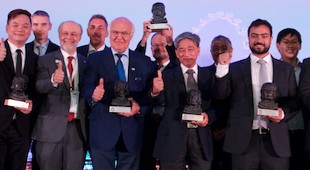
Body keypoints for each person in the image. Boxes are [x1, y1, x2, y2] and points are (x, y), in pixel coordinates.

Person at [214, 19, 298, 170]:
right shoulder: (234, 68)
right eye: (254, 35)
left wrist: (282, 113)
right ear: (248, 38)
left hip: (276, 142)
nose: (259, 40)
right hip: (243, 142)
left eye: (264, 36)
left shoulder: (286, 69)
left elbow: (294, 102)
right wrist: (221, 69)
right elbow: (221, 96)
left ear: (271, 39)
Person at [81, 17, 155, 170]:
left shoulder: (144, 61)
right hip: (102, 131)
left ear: (131, 35)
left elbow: (150, 97)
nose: (119, 37)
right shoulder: (95, 59)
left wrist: (139, 107)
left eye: (124, 33)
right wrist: (93, 95)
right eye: (115, 32)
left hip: (132, 132)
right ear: (108, 33)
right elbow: (86, 87)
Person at [152, 32, 215, 170]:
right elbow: (157, 103)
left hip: (201, 137)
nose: (186, 53)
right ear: (176, 53)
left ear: (198, 50)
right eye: (182, 50)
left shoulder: (210, 75)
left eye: (191, 49)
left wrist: (208, 116)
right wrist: (155, 92)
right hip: (172, 137)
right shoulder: (166, 75)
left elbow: (218, 105)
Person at [31, 21, 88, 170]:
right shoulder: (45, 60)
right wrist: (52, 80)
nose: (69, 37)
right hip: (50, 130)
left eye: (74, 34)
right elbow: (39, 86)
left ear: (80, 37)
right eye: (65, 33)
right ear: (59, 35)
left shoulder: (86, 62)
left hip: (77, 130)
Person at [0, 9, 37, 170]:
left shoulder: (35, 58)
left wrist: (32, 104)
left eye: (25, 26)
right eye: (15, 25)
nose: (20, 29)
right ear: (7, 28)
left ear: (30, 30)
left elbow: (36, 91)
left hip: (22, 128)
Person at [205, 35, 232, 170]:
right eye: (215, 48)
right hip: (207, 132)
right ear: (210, 51)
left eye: (223, 48)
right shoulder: (202, 73)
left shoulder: (239, 72)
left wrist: (227, 129)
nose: (219, 51)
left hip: (233, 134)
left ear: (231, 51)